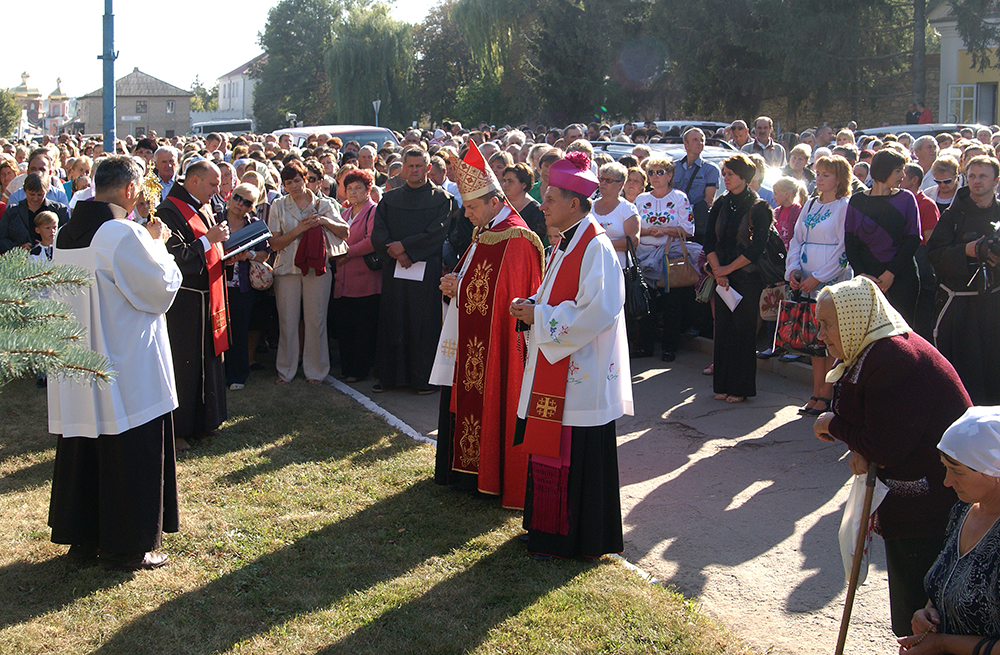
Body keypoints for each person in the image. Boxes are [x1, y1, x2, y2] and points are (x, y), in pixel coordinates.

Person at [812, 276, 972, 637]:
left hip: (934, 505)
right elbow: (881, 429)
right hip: (916, 494)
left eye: (826, 324)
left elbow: (884, 445)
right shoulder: (872, 350)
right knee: (913, 608)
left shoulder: (895, 359)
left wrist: (836, 427)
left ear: (854, 320)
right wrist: (861, 448)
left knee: (924, 611)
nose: (820, 335)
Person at [47, 155, 182, 571]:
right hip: (126, 363)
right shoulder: (122, 233)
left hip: (81, 364)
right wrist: (157, 243)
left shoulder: (66, 232)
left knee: (84, 447)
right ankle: (127, 547)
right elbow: (159, 289)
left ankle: (84, 539)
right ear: (129, 189)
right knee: (131, 450)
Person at [509, 151, 632, 559]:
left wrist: (539, 316)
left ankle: (575, 538)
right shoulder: (566, 241)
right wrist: (534, 304)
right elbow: (560, 295)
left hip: (581, 373)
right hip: (558, 367)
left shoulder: (594, 245)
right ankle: (548, 529)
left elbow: (598, 309)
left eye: (550, 199)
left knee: (575, 453)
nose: (542, 206)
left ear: (574, 204)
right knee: (553, 447)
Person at [431, 142, 545, 509]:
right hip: (473, 343)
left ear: (494, 202)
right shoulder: (484, 232)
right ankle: (468, 470)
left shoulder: (517, 238)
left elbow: (504, 300)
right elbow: (475, 281)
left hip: (499, 347)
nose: (466, 214)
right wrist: (455, 285)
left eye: (471, 206)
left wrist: (459, 287)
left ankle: (493, 473)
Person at [897, 407, 1000, 654]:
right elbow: (950, 580)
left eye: (958, 471)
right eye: (946, 468)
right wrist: (927, 614)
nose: (947, 481)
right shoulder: (963, 511)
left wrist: (942, 643)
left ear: (994, 472)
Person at [155, 160, 231, 451]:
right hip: (185, 301)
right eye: (213, 184)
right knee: (184, 366)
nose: (217, 189)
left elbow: (209, 246)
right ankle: (179, 428)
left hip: (207, 295)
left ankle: (206, 420)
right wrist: (208, 240)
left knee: (208, 359)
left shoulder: (202, 205)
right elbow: (175, 256)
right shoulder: (168, 211)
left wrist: (225, 248)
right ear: (194, 181)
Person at [371, 148, 454, 394]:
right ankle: (390, 378)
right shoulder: (390, 199)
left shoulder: (442, 199)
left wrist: (405, 248)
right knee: (393, 319)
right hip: (395, 272)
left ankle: (422, 380)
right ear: (403, 168)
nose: (415, 170)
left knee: (423, 323)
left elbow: (438, 233)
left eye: (420, 166)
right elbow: (379, 232)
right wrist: (397, 252)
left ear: (429, 168)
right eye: (411, 166)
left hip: (426, 273)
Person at [267, 159, 349, 386]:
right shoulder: (278, 205)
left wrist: (322, 220)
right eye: (288, 182)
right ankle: (286, 371)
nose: (294, 186)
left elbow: (345, 231)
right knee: (287, 321)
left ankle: (316, 372)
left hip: (318, 268)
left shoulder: (324, 203)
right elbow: (274, 244)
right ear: (283, 185)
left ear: (306, 180)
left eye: (297, 180)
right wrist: (300, 229)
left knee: (316, 321)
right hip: (286, 269)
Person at [927, 155, 1000, 405]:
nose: (977, 181)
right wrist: (967, 250)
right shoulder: (952, 216)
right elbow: (934, 254)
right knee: (961, 371)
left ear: (996, 181)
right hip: (960, 309)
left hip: (994, 306)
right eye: (972, 176)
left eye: (983, 176)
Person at [784, 155, 853, 414]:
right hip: (806, 281)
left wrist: (820, 277)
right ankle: (815, 391)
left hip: (830, 280)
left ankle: (828, 393)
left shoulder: (844, 206)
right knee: (814, 339)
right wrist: (793, 269)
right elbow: (796, 240)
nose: (820, 178)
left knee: (831, 339)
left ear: (839, 178)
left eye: (827, 174)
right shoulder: (810, 204)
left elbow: (843, 249)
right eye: (819, 173)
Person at [705, 153, 774, 403]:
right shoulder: (721, 203)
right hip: (721, 278)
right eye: (725, 174)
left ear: (744, 177)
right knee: (722, 330)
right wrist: (717, 271)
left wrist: (728, 269)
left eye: (731, 174)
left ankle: (740, 388)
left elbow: (757, 249)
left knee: (742, 333)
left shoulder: (759, 207)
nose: (726, 178)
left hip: (747, 278)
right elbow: (709, 240)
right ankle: (722, 385)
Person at [844, 148, 922, 325]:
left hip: (901, 276)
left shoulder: (906, 199)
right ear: (883, 170)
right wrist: (862, 274)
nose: (903, 175)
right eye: (897, 170)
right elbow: (850, 241)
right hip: (867, 278)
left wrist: (890, 273)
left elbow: (913, 238)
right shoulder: (856, 201)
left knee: (900, 331)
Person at [633, 156, 696, 361]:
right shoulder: (641, 199)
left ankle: (669, 347)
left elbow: (689, 229)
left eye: (660, 172)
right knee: (646, 303)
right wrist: (648, 230)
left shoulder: (679, 197)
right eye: (651, 172)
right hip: (644, 258)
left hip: (670, 258)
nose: (655, 176)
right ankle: (645, 346)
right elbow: (632, 228)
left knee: (671, 304)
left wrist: (665, 230)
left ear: (670, 175)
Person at [332, 169, 381, 382]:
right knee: (346, 327)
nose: (353, 192)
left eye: (358, 188)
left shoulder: (373, 211)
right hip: (343, 281)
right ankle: (347, 368)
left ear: (367, 190)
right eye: (349, 188)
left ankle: (359, 370)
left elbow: (372, 241)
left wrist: (346, 253)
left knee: (363, 328)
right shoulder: (343, 214)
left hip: (365, 281)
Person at [222, 183, 269, 391]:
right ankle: (218, 374)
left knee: (239, 331)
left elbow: (265, 254)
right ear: (231, 196)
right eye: (238, 198)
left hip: (242, 287)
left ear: (252, 207)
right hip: (218, 284)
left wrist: (247, 255)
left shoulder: (254, 225)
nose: (240, 204)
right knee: (218, 331)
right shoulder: (215, 220)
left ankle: (237, 375)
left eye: (247, 202)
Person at [0, 172, 70, 253]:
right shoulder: (12, 212)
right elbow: (2, 239)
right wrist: (18, 248)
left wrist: (48, 245)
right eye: (32, 194)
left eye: (40, 194)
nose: (35, 198)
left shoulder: (60, 210)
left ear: (46, 191)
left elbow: (66, 238)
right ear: (25, 191)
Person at [673, 128, 719, 244]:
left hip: (697, 225)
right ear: (686, 144)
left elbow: (708, 200)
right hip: (673, 222)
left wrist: (686, 213)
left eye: (702, 140)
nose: (700, 143)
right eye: (695, 140)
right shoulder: (673, 167)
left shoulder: (710, 169)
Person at [592, 161, 640, 269]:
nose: (603, 183)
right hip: (594, 265)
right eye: (601, 179)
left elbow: (633, 240)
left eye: (608, 180)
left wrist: (602, 245)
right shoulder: (590, 206)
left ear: (620, 184)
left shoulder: (628, 209)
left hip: (619, 267)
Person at [501, 163, 546, 244]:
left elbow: (536, 243)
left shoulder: (536, 211)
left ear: (524, 185)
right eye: (505, 181)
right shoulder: (499, 205)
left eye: (510, 181)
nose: (505, 185)